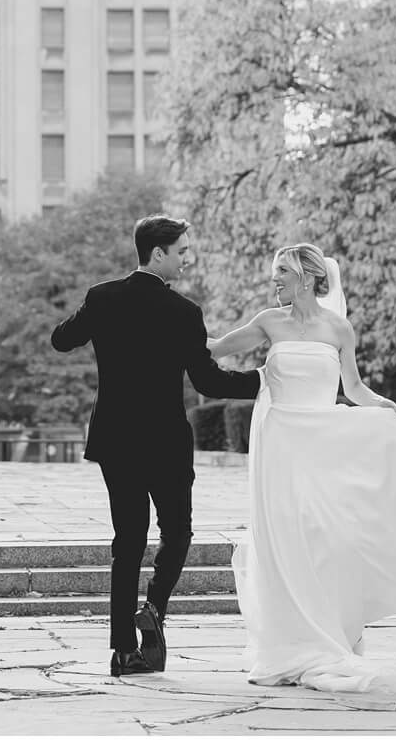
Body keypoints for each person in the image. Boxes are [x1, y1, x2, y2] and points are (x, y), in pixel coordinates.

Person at [210, 242, 396, 690]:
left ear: (307, 276)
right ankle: (287, 643)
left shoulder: (338, 329)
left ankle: (335, 632)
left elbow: (354, 387)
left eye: (282, 270)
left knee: (331, 537)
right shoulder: (268, 322)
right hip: (280, 445)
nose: (274, 278)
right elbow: (216, 348)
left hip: (324, 447)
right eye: (274, 271)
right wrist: (168, 329)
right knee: (284, 537)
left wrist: (388, 409)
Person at [51, 214, 263, 678]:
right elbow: (208, 380)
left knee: (127, 542)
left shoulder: (102, 297)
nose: (189, 259)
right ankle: (154, 607)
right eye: (183, 251)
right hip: (166, 441)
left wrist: (92, 315)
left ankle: (124, 651)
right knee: (178, 533)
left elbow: (61, 340)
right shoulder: (184, 313)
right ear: (159, 253)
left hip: (117, 439)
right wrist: (264, 381)